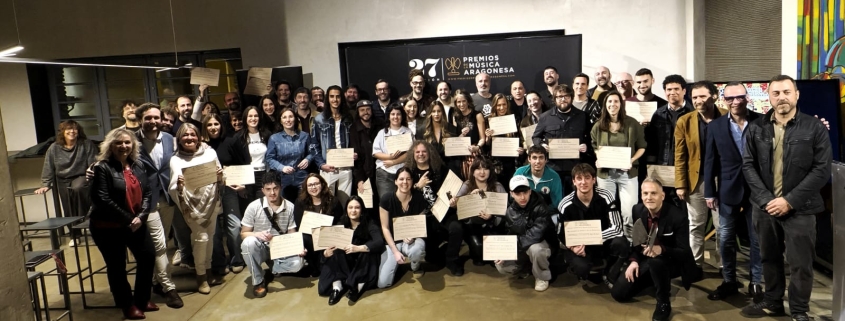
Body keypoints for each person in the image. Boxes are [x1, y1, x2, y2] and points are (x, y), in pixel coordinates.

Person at [740, 75, 832, 321]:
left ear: (796, 95)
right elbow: (748, 165)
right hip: (764, 208)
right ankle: (773, 302)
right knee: (769, 258)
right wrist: (765, 200)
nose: (781, 97)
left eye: (786, 92)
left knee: (801, 264)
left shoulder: (814, 128)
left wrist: (789, 201)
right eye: (776, 93)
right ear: (769, 97)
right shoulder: (756, 128)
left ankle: (799, 311)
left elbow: (821, 170)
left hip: (801, 209)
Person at [702, 82, 763, 303]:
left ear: (747, 97)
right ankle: (729, 281)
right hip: (728, 189)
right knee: (726, 238)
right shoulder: (715, 126)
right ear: (723, 100)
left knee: (756, 239)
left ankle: (756, 282)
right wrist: (710, 192)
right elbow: (710, 161)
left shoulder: (762, 121)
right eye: (730, 98)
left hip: (758, 190)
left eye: (739, 97)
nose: (735, 102)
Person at [89, 128, 157, 320]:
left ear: (133, 145)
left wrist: (141, 217)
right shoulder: (102, 167)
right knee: (117, 266)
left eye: (127, 142)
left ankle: (142, 300)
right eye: (118, 142)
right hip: (108, 227)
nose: (123, 146)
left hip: (135, 223)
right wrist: (129, 219)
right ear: (110, 145)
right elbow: (102, 199)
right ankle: (127, 305)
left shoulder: (138, 165)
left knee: (148, 257)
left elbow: (147, 192)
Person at [611, 178, 699, 321]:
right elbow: (637, 242)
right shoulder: (637, 210)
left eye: (654, 193)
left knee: (656, 263)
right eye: (645, 193)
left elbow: (683, 251)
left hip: (672, 259)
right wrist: (634, 261)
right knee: (618, 293)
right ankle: (653, 278)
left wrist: (662, 249)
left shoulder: (678, 216)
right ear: (641, 195)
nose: (649, 197)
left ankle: (664, 302)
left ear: (662, 196)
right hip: (647, 258)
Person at [133, 103, 183, 308]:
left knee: (162, 242)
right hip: (146, 201)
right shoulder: (131, 140)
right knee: (160, 244)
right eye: (148, 118)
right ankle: (169, 287)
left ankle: (156, 282)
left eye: (156, 117)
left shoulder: (170, 139)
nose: (153, 121)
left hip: (167, 197)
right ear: (140, 120)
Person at [168, 123, 225, 294]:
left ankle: (208, 272)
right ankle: (201, 277)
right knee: (201, 238)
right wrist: (179, 185)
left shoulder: (210, 152)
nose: (189, 138)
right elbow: (173, 187)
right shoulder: (176, 159)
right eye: (185, 135)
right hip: (191, 206)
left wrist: (220, 175)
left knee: (211, 237)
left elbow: (221, 177)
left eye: (192, 134)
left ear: (198, 137)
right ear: (179, 139)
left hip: (212, 203)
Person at [675, 80, 726, 267]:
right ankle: (694, 265)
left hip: (723, 180)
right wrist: (680, 184)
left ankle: (724, 266)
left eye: (702, 96)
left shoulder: (727, 117)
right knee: (696, 225)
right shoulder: (685, 121)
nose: (698, 100)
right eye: (694, 97)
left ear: (714, 96)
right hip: (696, 180)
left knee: (722, 227)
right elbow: (680, 155)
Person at [557, 163, 627, 285]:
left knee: (621, 243)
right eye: (579, 178)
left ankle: (610, 271)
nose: (583, 182)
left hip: (603, 242)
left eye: (587, 178)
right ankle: (586, 272)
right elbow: (560, 235)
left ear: (594, 180)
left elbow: (617, 228)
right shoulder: (565, 204)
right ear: (574, 181)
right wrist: (573, 248)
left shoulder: (606, 196)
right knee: (581, 268)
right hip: (580, 246)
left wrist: (592, 238)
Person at [239, 170, 306, 298]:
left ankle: (274, 266)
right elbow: (243, 234)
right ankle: (258, 280)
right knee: (248, 243)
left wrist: (298, 248)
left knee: (299, 263)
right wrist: (257, 234)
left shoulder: (290, 207)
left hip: (279, 248)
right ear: (263, 190)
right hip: (261, 247)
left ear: (281, 187)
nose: (272, 193)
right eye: (268, 189)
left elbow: (292, 234)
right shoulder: (253, 206)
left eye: (275, 188)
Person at [591, 91, 647, 240]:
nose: (613, 104)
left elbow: (642, 146)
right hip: (605, 174)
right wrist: (599, 158)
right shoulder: (598, 125)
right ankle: (610, 243)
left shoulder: (632, 123)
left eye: (616, 101)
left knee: (629, 212)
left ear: (621, 104)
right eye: (609, 102)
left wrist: (631, 160)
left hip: (628, 174)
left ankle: (630, 244)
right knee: (607, 210)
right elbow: (595, 146)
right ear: (605, 105)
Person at [36, 120, 98, 246]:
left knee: (78, 188)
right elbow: (48, 166)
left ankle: (84, 220)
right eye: (68, 129)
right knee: (68, 208)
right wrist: (46, 184)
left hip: (82, 176)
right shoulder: (54, 148)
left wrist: (92, 172)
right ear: (63, 132)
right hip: (62, 179)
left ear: (78, 131)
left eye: (74, 129)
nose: (72, 131)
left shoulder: (86, 144)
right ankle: (75, 235)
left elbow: (93, 163)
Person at [406, 140, 463, 275]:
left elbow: (451, 189)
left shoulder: (440, 169)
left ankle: (452, 260)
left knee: (456, 228)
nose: (421, 154)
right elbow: (404, 196)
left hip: (443, 212)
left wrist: (453, 201)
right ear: (413, 154)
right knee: (432, 258)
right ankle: (443, 249)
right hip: (424, 216)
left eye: (424, 151)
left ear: (429, 153)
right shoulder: (409, 173)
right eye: (417, 152)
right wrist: (417, 186)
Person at [494, 176, 558, 292]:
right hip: (522, 244)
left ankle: (542, 277)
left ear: (530, 191)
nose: (522, 197)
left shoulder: (541, 207)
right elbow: (510, 234)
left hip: (543, 243)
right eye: (518, 193)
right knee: (501, 265)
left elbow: (535, 236)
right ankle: (526, 268)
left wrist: (513, 247)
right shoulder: (510, 211)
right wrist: (504, 250)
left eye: (525, 192)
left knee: (536, 249)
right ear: (512, 194)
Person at [202, 114, 247, 276]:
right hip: (209, 190)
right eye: (209, 125)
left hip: (229, 188)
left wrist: (243, 185)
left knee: (234, 226)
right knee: (213, 229)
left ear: (221, 125)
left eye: (216, 124)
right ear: (205, 127)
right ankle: (219, 262)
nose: (213, 127)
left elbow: (244, 162)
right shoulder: (201, 146)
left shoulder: (230, 141)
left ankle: (237, 259)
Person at [319, 196, 385, 305]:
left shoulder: (370, 223)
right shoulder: (341, 224)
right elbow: (328, 245)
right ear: (346, 210)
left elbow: (379, 241)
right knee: (336, 251)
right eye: (350, 207)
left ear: (362, 210)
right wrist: (326, 253)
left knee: (367, 250)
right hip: (346, 261)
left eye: (357, 207)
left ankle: (359, 285)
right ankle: (337, 287)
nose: (353, 210)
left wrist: (359, 248)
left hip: (363, 262)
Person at [532, 84, 591, 195]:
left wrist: (586, 145)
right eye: (559, 97)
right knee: (554, 198)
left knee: (573, 199)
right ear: (554, 99)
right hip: (552, 168)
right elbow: (536, 137)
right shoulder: (545, 117)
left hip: (575, 168)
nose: (563, 99)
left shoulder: (582, 116)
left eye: (566, 96)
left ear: (571, 97)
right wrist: (542, 145)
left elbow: (590, 138)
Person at [378, 167, 430, 287]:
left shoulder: (419, 198)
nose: (405, 182)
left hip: (411, 240)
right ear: (395, 181)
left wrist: (413, 235)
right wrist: (395, 251)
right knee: (383, 283)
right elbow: (385, 228)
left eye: (408, 179)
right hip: (392, 242)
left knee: (417, 250)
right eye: (401, 179)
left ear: (412, 181)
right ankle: (396, 263)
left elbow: (420, 223)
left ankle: (415, 265)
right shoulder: (386, 199)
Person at [645, 74, 692, 209]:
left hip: (684, 169)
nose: (672, 92)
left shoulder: (692, 113)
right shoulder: (658, 114)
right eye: (669, 89)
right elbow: (652, 143)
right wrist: (651, 167)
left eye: (676, 89)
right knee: (664, 208)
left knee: (684, 209)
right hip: (662, 168)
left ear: (684, 91)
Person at [455, 157, 506, 266]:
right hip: (473, 226)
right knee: (478, 254)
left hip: (492, 226)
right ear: (473, 172)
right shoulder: (467, 185)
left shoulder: (497, 186)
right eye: (478, 168)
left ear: (490, 171)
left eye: (486, 168)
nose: (482, 172)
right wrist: (470, 198)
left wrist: (492, 215)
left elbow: (505, 209)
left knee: (494, 262)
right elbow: (459, 207)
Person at [312, 85, 354, 205]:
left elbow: (354, 140)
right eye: (332, 96)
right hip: (328, 168)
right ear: (327, 99)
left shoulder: (348, 118)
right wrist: (321, 164)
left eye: (338, 96)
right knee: (327, 203)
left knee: (345, 203)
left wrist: (354, 154)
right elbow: (314, 145)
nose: (335, 100)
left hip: (346, 167)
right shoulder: (319, 119)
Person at [293, 174, 343, 274]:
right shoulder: (300, 202)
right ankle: (314, 266)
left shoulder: (333, 201)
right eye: (310, 185)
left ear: (322, 184)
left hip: (328, 236)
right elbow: (299, 224)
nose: (313, 187)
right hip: (309, 237)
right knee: (304, 238)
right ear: (306, 188)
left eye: (316, 184)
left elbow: (340, 221)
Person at [266, 107, 315, 202]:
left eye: (290, 117)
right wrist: (282, 167)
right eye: (284, 117)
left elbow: (313, 152)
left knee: (304, 204)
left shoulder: (305, 136)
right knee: (285, 205)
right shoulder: (274, 138)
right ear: (280, 121)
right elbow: (269, 158)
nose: (288, 120)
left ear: (295, 119)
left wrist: (307, 159)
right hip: (283, 179)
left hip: (302, 177)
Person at [484, 93, 525, 189]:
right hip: (496, 164)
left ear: (507, 105)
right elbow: (486, 147)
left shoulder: (515, 119)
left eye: (504, 104)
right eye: (498, 105)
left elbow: (521, 139)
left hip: (512, 162)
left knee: (513, 189)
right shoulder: (488, 121)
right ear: (494, 106)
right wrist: (488, 137)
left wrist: (522, 150)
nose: (502, 108)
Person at [231, 106, 272, 202]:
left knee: (263, 205)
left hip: (264, 175)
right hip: (247, 177)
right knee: (249, 206)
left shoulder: (267, 134)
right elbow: (236, 161)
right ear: (245, 118)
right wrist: (241, 183)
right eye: (250, 116)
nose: (253, 118)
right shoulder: (238, 137)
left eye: (256, 116)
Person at [351, 100, 385, 207]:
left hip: (382, 172)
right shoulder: (354, 129)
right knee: (367, 206)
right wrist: (359, 179)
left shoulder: (381, 126)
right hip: (364, 173)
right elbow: (355, 158)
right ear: (358, 112)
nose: (365, 112)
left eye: (368, 109)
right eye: (362, 110)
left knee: (383, 203)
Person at [372, 105, 411, 197]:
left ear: (402, 116)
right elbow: (375, 152)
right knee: (386, 200)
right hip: (384, 172)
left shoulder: (408, 132)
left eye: (398, 114)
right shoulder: (382, 133)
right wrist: (389, 157)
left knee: (402, 200)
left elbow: (410, 154)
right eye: (393, 114)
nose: (395, 117)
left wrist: (393, 161)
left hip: (403, 173)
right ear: (388, 116)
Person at [451, 89, 487, 180]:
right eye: (459, 102)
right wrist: (462, 135)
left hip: (475, 153)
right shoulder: (455, 117)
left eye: (464, 101)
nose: (461, 104)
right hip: (461, 155)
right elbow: (455, 140)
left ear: (468, 101)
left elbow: (482, 138)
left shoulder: (477, 115)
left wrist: (477, 147)